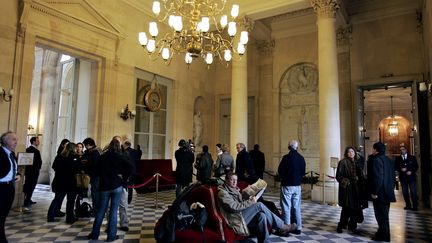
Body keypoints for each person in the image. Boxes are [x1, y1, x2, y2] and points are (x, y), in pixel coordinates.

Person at [217, 172, 291, 242]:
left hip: (239, 215)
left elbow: (240, 204)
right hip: (234, 220)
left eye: (236, 180)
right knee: (259, 205)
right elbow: (234, 207)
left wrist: (248, 198)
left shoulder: (234, 190)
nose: (234, 182)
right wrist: (251, 201)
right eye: (232, 179)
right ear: (226, 180)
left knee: (262, 216)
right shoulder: (223, 193)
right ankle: (281, 226)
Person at [88, 139, 133, 242]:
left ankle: (95, 234)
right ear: (118, 147)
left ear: (109, 146)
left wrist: (104, 175)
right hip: (117, 186)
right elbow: (131, 167)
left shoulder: (102, 157)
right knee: (113, 211)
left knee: (101, 210)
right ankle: (111, 236)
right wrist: (123, 176)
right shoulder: (120, 157)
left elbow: (96, 171)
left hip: (104, 186)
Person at [367, 142, 396, 242]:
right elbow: (392, 177)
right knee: (384, 214)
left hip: (380, 193)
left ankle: (384, 236)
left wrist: (374, 192)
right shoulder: (389, 160)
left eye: (373, 149)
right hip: (387, 191)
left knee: (381, 215)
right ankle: (381, 233)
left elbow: (378, 178)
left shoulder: (377, 160)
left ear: (375, 150)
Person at [47, 142, 80, 223]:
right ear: (73, 149)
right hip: (70, 182)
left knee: (57, 199)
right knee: (71, 201)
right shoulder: (75, 157)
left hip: (59, 181)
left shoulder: (59, 156)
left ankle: (50, 216)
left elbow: (54, 166)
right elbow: (77, 169)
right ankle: (70, 218)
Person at [336, 147, 367, 234]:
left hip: (357, 189)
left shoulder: (357, 162)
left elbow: (362, 174)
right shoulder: (343, 162)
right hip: (347, 189)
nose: (351, 153)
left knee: (355, 208)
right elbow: (338, 176)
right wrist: (347, 181)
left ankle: (353, 226)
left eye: (352, 151)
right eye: (349, 152)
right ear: (346, 153)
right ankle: (341, 225)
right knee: (346, 209)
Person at [277, 140, 305, 235]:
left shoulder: (286, 158)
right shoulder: (301, 158)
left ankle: (286, 228)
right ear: (297, 147)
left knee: (286, 207)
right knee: (296, 207)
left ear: (289, 147)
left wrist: (285, 177)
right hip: (297, 185)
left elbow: (280, 171)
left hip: (287, 185)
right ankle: (298, 228)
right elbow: (303, 172)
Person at [0, 131, 21, 243]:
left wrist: (18, 175)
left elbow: (14, 168)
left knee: (3, 215)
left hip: (9, 188)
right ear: (5, 141)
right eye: (13, 139)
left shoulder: (11, 154)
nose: (16, 142)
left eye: (16, 140)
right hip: (1, 188)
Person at [395, 145, 418, 211]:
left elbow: (416, 166)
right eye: (400, 150)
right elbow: (395, 166)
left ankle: (415, 206)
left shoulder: (412, 157)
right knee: (405, 192)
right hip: (403, 178)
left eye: (403, 149)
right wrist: (400, 169)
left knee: (413, 192)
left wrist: (411, 171)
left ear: (406, 150)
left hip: (411, 177)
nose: (402, 151)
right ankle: (408, 205)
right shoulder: (398, 158)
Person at [82, 137, 102, 211]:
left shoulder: (95, 152)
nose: (85, 147)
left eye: (85, 145)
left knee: (95, 193)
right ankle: (96, 208)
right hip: (94, 175)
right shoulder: (92, 151)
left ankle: (96, 209)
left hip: (95, 176)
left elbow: (94, 164)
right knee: (94, 193)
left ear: (89, 144)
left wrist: (86, 162)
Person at [23, 136, 42, 208]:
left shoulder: (28, 149)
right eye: (37, 141)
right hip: (33, 171)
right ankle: (27, 199)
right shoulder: (35, 151)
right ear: (34, 141)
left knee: (29, 185)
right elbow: (37, 162)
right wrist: (38, 168)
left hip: (29, 171)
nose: (39, 142)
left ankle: (28, 198)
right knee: (31, 186)